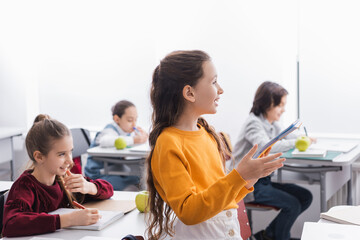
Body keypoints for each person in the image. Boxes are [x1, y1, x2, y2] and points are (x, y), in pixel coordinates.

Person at [146, 50, 285, 240]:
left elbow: (222, 199)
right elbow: (189, 212)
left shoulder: (207, 134)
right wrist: (239, 175)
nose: (220, 89)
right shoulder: (169, 142)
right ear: (189, 92)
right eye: (213, 82)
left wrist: (249, 179)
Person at [2, 114, 114, 237]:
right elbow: (11, 223)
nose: (70, 161)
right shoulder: (25, 187)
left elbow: (109, 190)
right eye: (61, 154)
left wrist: (89, 187)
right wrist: (69, 219)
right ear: (39, 157)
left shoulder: (65, 181)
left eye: (70, 152)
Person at [232, 81, 314, 240]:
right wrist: (297, 143)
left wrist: (305, 138)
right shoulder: (253, 123)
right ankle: (278, 237)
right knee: (293, 205)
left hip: (264, 181)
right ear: (269, 103)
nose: (283, 110)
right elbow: (264, 146)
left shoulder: (271, 123)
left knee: (305, 196)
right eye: (280, 105)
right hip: (249, 186)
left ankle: (268, 234)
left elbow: (288, 135)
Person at [85, 100, 148, 191]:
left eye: (136, 119)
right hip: (99, 174)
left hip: (116, 169)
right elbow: (105, 141)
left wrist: (143, 137)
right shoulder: (110, 130)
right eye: (130, 120)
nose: (134, 124)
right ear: (117, 119)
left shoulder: (126, 131)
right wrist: (134, 140)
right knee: (137, 180)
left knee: (139, 177)